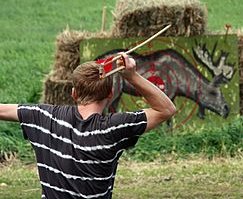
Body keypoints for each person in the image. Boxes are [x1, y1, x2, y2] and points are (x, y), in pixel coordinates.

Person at [0, 52, 176, 199]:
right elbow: (166, 109)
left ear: (74, 93)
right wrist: (132, 76)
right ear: (110, 93)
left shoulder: (43, 117)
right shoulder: (114, 129)